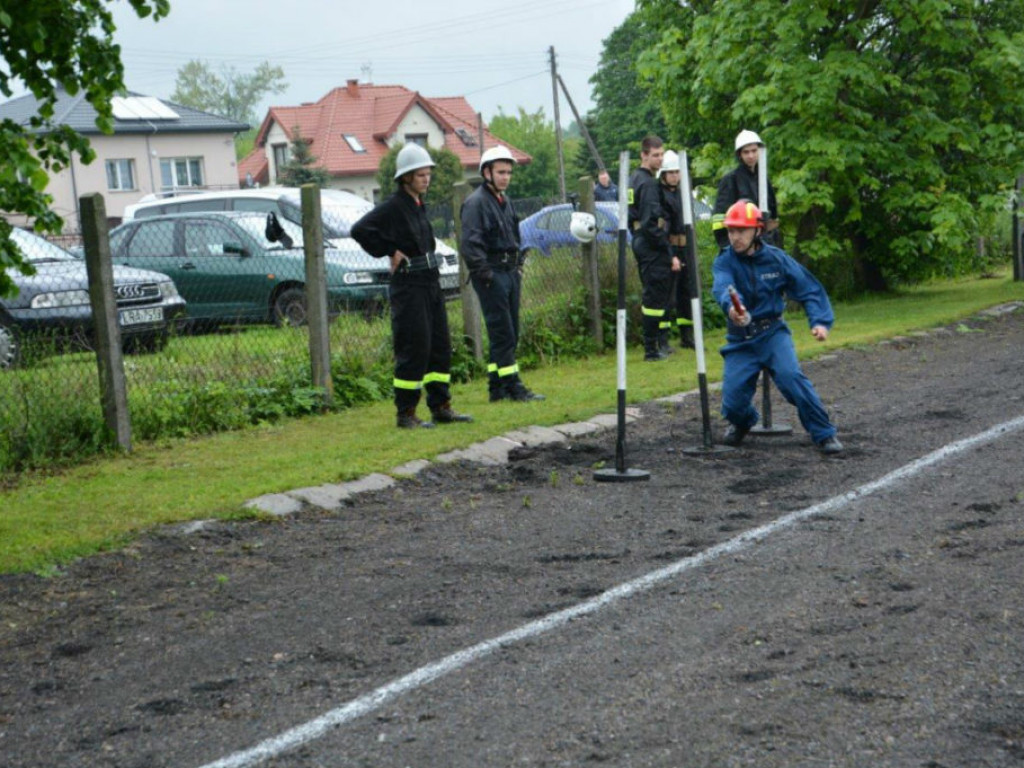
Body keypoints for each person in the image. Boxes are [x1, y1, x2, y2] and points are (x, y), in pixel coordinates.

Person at [351, 144, 472, 429]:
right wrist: (389, 250)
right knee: (414, 348)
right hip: (408, 286)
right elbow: (359, 230)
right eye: (420, 175)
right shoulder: (393, 207)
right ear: (405, 177)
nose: (426, 179)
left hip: (430, 282)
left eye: (428, 174)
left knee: (439, 346)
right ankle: (406, 413)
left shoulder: (419, 205)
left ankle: (441, 406)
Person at [711, 199, 843, 455]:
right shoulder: (724, 261)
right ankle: (744, 421)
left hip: (773, 334)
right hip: (740, 340)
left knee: (792, 379)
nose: (735, 237)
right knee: (732, 402)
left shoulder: (777, 260)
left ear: (757, 231)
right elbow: (722, 287)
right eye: (731, 231)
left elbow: (809, 288)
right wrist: (731, 309)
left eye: (741, 231)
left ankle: (823, 433)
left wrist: (819, 321)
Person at [460, 145, 544, 402]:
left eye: (508, 172)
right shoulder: (476, 203)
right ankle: (514, 386)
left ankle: (497, 389)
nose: (506, 177)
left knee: (510, 332)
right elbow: (470, 244)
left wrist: (517, 267)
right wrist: (486, 275)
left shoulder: (504, 202)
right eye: (500, 172)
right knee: (503, 333)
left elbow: (514, 235)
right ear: (487, 173)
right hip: (492, 274)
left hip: (509, 271)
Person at [628, 135, 674, 362]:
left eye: (661, 154)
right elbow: (650, 223)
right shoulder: (647, 183)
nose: (660, 159)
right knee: (654, 297)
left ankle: (653, 345)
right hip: (650, 244)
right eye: (655, 155)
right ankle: (651, 349)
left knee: (652, 295)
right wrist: (666, 247)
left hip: (639, 239)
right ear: (643, 155)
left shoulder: (633, 178)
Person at [711, 129, 780, 250]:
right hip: (742, 248)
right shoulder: (730, 180)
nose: (751, 156)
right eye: (746, 152)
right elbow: (719, 221)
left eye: (754, 151)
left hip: (766, 246)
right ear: (740, 155)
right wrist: (730, 249)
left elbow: (773, 217)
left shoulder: (764, 180)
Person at [656, 150, 695, 350]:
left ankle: (687, 336)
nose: (674, 176)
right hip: (669, 249)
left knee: (686, 293)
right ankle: (662, 340)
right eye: (670, 173)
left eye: (677, 172)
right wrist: (671, 256)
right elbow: (663, 229)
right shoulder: (660, 195)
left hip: (685, 247)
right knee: (668, 296)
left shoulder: (683, 193)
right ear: (663, 174)